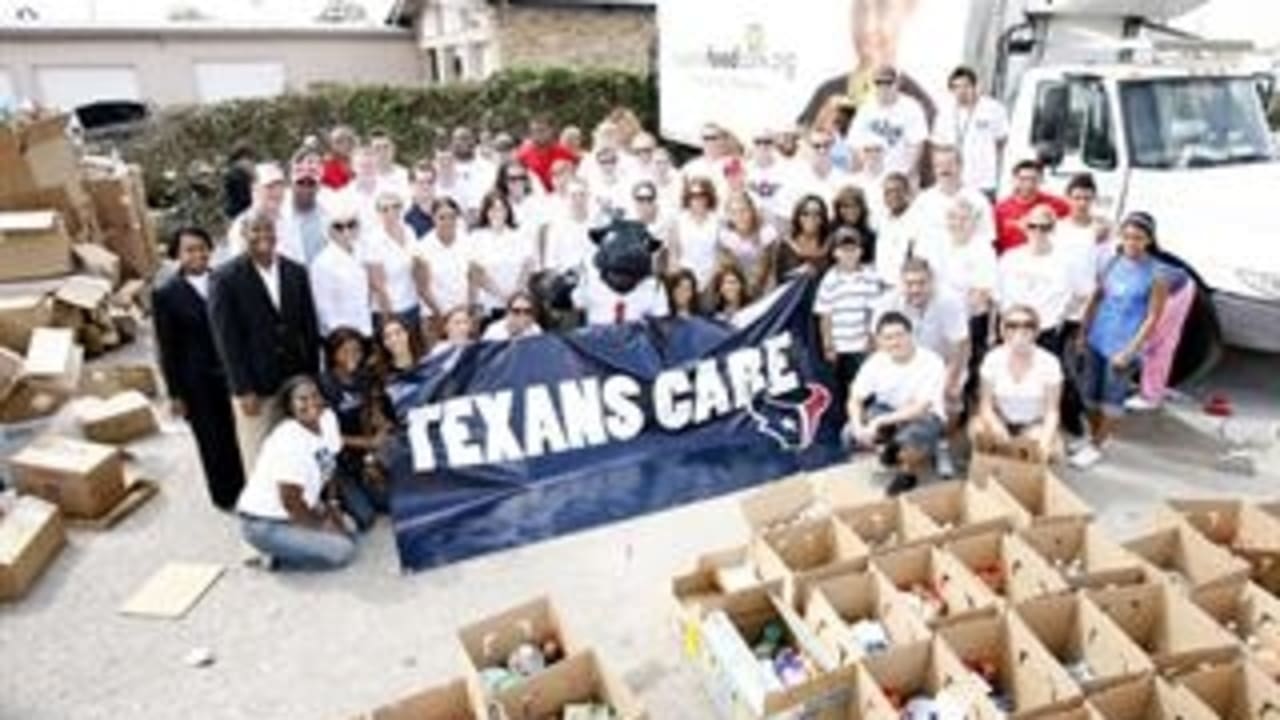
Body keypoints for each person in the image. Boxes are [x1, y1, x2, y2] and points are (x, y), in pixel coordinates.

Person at [210, 210, 321, 472]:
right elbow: (226, 338)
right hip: (256, 385)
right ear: (243, 235)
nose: (263, 236)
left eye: (267, 229)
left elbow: (309, 326)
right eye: (255, 230)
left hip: (295, 378)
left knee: (300, 445)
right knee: (260, 451)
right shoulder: (225, 278)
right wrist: (242, 388)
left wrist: (312, 375)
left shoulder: (296, 272)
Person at [153, 227, 246, 511]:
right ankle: (226, 495)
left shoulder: (225, 280)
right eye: (189, 250)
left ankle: (249, 487)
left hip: (231, 373)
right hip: (197, 380)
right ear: (178, 255)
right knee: (212, 439)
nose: (197, 254)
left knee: (237, 434)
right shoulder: (167, 293)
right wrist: (175, 393)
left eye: (202, 248)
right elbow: (167, 347)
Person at [1073, 212, 1171, 468]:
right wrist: (1083, 332)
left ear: (1149, 240)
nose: (1131, 242)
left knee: (1112, 398)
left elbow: (1152, 318)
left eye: (1138, 238)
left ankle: (1096, 446)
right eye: (1126, 236)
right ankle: (1096, 437)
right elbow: (1096, 299)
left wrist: (1130, 351)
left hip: (1124, 346)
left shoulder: (1157, 274)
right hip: (1098, 338)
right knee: (1089, 395)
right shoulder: (1114, 262)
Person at [236, 375, 355, 572]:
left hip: (298, 510)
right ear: (290, 407)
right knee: (344, 551)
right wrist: (322, 525)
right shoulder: (288, 442)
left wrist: (333, 506)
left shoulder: (327, 418)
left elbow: (330, 465)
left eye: (315, 395)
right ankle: (274, 557)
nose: (311, 403)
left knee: (351, 528)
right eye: (302, 399)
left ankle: (296, 543)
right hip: (264, 522)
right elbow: (290, 501)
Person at [876, 258, 970, 477]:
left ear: (932, 282)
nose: (915, 289)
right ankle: (904, 445)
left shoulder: (950, 302)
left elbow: (961, 345)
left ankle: (942, 445)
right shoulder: (887, 303)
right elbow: (879, 343)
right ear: (901, 283)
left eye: (921, 283)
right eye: (910, 284)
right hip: (905, 365)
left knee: (949, 403)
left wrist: (950, 383)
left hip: (945, 363)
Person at [846, 312, 948, 495]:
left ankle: (908, 474)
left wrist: (879, 422)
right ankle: (889, 448)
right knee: (848, 434)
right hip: (888, 410)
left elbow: (920, 408)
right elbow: (855, 398)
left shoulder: (932, 362)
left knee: (910, 440)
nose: (895, 342)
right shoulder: (875, 362)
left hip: (925, 415)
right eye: (888, 338)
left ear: (911, 335)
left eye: (900, 335)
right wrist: (857, 425)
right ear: (880, 341)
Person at [798, 0, 934, 130]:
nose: (867, 28)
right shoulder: (826, 94)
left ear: (906, 14)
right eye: (861, 11)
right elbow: (788, 150)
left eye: (882, 9)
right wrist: (815, 134)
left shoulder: (921, 110)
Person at [922, 198, 996, 399]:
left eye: (965, 218)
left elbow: (982, 291)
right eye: (953, 218)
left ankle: (960, 408)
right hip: (937, 315)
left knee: (965, 367)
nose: (959, 223)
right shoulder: (934, 244)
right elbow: (925, 278)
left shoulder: (983, 249)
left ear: (974, 222)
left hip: (968, 317)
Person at [317, 329, 389, 532]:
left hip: (359, 457)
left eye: (357, 350)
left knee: (391, 502)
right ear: (333, 354)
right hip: (335, 462)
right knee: (365, 518)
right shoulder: (323, 384)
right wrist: (368, 443)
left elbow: (369, 413)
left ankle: (363, 489)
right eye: (345, 351)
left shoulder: (363, 376)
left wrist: (372, 454)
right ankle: (328, 499)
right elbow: (325, 436)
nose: (353, 356)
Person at [971, 305, 1063, 460]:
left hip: (1032, 424)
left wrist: (1044, 443)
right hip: (1002, 420)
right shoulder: (993, 359)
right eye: (1012, 325)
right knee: (980, 431)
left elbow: (1052, 411)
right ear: (1002, 329)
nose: (1020, 330)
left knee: (1043, 447)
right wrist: (997, 427)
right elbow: (985, 405)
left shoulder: (1049, 362)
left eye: (1028, 325)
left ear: (1037, 330)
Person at [815, 227, 883, 404]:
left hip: (861, 344)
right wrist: (828, 344)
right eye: (843, 250)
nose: (848, 254)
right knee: (840, 386)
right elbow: (825, 315)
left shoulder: (869, 276)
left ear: (861, 251)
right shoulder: (830, 279)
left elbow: (872, 310)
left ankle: (865, 418)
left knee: (864, 384)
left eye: (853, 249)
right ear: (835, 252)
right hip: (839, 344)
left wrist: (872, 337)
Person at [931, 66, 1010, 199]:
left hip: (983, 182)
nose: (961, 91)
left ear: (975, 87)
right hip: (954, 183)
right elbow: (938, 146)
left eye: (966, 86)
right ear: (951, 90)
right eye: (956, 87)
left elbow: (1001, 141)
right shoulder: (945, 113)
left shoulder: (993, 109)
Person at [846, 66, 930, 181]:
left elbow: (918, 146)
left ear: (897, 83)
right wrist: (867, 168)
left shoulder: (911, 108)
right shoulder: (866, 108)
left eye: (888, 82)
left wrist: (907, 176)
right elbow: (854, 144)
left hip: (899, 177)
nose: (883, 86)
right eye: (878, 82)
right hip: (871, 177)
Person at [310, 199, 373, 339]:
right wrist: (343, 338)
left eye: (351, 224)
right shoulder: (322, 263)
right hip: (342, 337)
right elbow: (324, 309)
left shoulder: (362, 251)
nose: (346, 231)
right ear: (329, 230)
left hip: (366, 329)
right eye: (338, 226)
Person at [910, 146, 996, 248]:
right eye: (939, 165)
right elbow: (914, 238)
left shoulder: (978, 200)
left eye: (949, 164)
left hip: (966, 261)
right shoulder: (922, 201)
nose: (944, 169)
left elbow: (986, 239)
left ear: (960, 166)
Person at [365, 190, 425, 334]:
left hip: (411, 304)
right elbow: (378, 285)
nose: (391, 212)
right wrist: (390, 318)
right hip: (388, 311)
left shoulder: (409, 231)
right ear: (378, 213)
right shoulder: (373, 240)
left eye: (395, 206)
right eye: (384, 209)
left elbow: (417, 265)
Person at [471, 191, 537, 321]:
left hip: (519, 305)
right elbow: (476, 272)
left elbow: (528, 265)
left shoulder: (519, 236)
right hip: (490, 304)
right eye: (493, 209)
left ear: (507, 211)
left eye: (501, 209)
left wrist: (515, 293)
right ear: (486, 212)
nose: (497, 213)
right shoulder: (476, 237)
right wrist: (501, 295)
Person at [226, 162, 301, 263]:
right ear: (255, 189)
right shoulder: (242, 225)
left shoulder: (290, 220)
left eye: (280, 186)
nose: (277, 192)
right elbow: (240, 269)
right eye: (269, 187)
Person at [416, 197, 474, 323]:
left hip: (463, 315)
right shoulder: (422, 248)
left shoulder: (468, 242)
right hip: (435, 317)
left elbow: (472, 278)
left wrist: (468, 308)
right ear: (433, 218)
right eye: (442, 217)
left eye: (452, 217)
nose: (448, 221)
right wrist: (441, 315)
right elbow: (422, 288)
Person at [994, 160, 1070, 255]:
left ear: (1041, 180)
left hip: (1046, 262)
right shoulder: (1000, 209)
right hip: (1011, 264)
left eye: (1033, 179)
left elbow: (1069, 234)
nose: (1028, 184)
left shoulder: (1059, 205)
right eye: (1023, 179)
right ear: (1014, 180)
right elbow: (995, 243)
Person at [717, 191, 778, 296]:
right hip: (738, 294)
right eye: (734, 212)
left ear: (752, 211)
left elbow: (770, 270)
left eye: (743, 210)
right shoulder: (726, 238)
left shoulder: (766, 234)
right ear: (729, 216)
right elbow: (728, 270)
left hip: (765, 291)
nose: (740, 216)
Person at [669, 176, 722, 286]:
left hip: (711, 277)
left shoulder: (718, 221)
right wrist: (678, 280)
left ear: (708, 197)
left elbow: (719, 256)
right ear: (688, 198)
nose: (697, 200)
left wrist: (706, 283)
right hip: (684, 276)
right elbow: (673, 254)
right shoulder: (678, 221)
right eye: (693, 196)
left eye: (702, 195)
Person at [540, 179, 596, 275]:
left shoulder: (598, 224)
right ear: (566, 198)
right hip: (567, 281)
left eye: (582, 194)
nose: (578, 200)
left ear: (588, 196)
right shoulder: (557, 228)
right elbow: (550, 263)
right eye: (573, 196)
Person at [773, 194, 833, 283]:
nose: (811, 218)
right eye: (805, 213)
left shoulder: (831, 244)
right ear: (798, 217)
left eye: (817, 214)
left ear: (823, 218)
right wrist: (798, 273)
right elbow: (780, 278)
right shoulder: (786, 245)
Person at [872, 173, 919, 285]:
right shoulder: (881, 220)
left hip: (905, 287)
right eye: (888, 192)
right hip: (880, 285)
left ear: (908, 192)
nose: (893, 196)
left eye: (897, 190)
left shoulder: (917, 221)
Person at [283, 161, 327, 265]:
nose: (305, 188)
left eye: (311, 183)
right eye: (300, 183)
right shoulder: (278, 215)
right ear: (291, 185)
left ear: (318, 187)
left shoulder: (328, 217)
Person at [830, 185, 878, 267]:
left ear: (862, 208)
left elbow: (870, 262)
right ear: (838, 209)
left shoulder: (870, 235)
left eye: (855, 206)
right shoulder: (830, 230)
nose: (850, 211)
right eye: (845, 206)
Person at [368, 129, 410, 200]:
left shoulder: (405, 175)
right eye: (377, 148)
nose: (382, 152)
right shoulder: (364, 178)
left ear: (393, 149)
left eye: (386, 147)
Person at [403, 159, 437, 239]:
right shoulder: (407, 221)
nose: (426, 187)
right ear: (411, 185)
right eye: (421, 182)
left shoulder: (447, 212)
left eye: (430, 182)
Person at [222, 144, 256, 221]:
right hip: (238, 213)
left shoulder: (236, 172)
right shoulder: (235, 174)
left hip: (238, 212)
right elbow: (243, 197)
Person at [321, 125, 357, 190]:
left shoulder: (358, 160)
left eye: (349, 140)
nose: (346, 144)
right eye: (338, 142)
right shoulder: (328, 164)